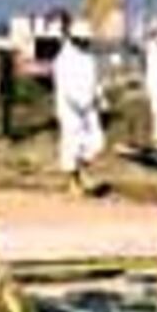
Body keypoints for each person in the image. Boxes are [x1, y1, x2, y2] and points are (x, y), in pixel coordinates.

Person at [52, 16, 105, 193]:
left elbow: (94, 80)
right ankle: (73, 181)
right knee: (71, 144)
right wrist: (81, 102)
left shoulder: (88, 57)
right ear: (75, 39)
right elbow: (66, 87)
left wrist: (100, 97)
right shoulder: (63, 59)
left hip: (89, 106)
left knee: (97, 142)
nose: (87, 42)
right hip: (70, 109)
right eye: (84, 40)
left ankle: (82, 171)